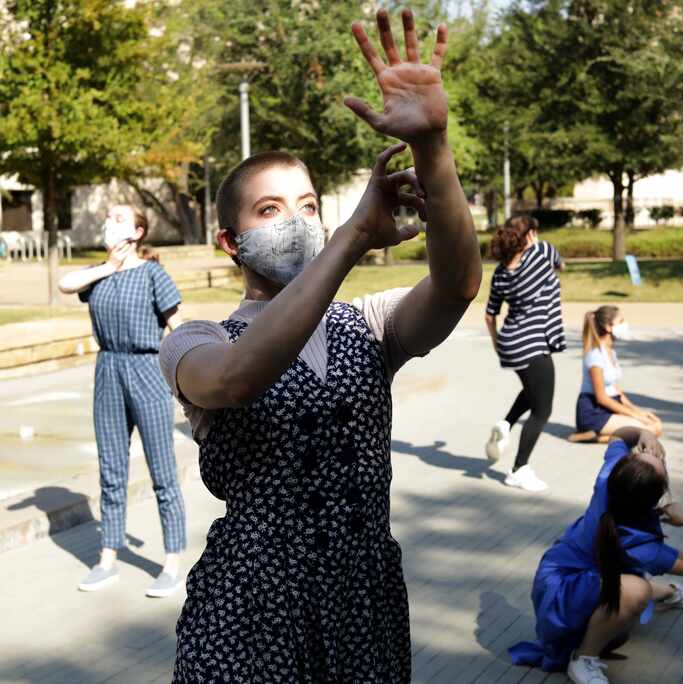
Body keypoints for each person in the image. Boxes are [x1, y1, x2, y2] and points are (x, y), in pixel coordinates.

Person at [159, 9, 481, 682]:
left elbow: (455, 286)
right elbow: (235, 380)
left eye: (309, 206)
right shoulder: (196, 338)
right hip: (249, 612)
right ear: (230, 241)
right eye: (270, 210)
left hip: (363, 604)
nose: (297, 222)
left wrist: (433, 146)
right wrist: (351, 238)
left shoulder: (366, 323)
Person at [509, 429, 683, 683]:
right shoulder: (643, 546)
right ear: (658, 494)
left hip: (570, 571)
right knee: (636, 591)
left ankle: (668, 592)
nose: (653, 451)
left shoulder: (610, 477)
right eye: (655, 458)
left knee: (628, 581)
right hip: (561, 592)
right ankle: (583, 659)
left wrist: (643, 434)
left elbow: (618, 437)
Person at [58, 205, 186, 598]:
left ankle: (172, 562)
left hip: (146, 369)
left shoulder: (152, 274)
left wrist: (189, 379)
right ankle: (108, 558)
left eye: (117, 219)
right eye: (107, 219)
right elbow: (66, 284)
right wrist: (107, 267)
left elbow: (177, 326)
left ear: (138, 231)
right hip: (108, 371)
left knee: (162, 472)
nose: (107, 223)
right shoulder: (98, 276)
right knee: (110, 470)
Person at [483, 215, 566, 492]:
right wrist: (537, 244)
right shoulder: (542, 254)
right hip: (533, 343)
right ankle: (519, 469)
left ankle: (505, 424)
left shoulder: (500, 273)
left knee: (533, 391)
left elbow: (489, 315)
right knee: (543, 410)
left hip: (510, 343)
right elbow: (561, 266)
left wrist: (496, 345)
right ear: (530, 235)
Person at [572, 305, 662, 442]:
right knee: (649, 431)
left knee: (657, 426)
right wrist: (634, 416)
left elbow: (616, 390)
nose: (625, 325)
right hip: (594, 412)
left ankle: (596, 435)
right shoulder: (595, 355)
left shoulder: (610, 352)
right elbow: (601, 397)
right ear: (608, 327)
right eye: (621, 321)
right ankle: (590, 435)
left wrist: (638, 411)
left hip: (610, 405)